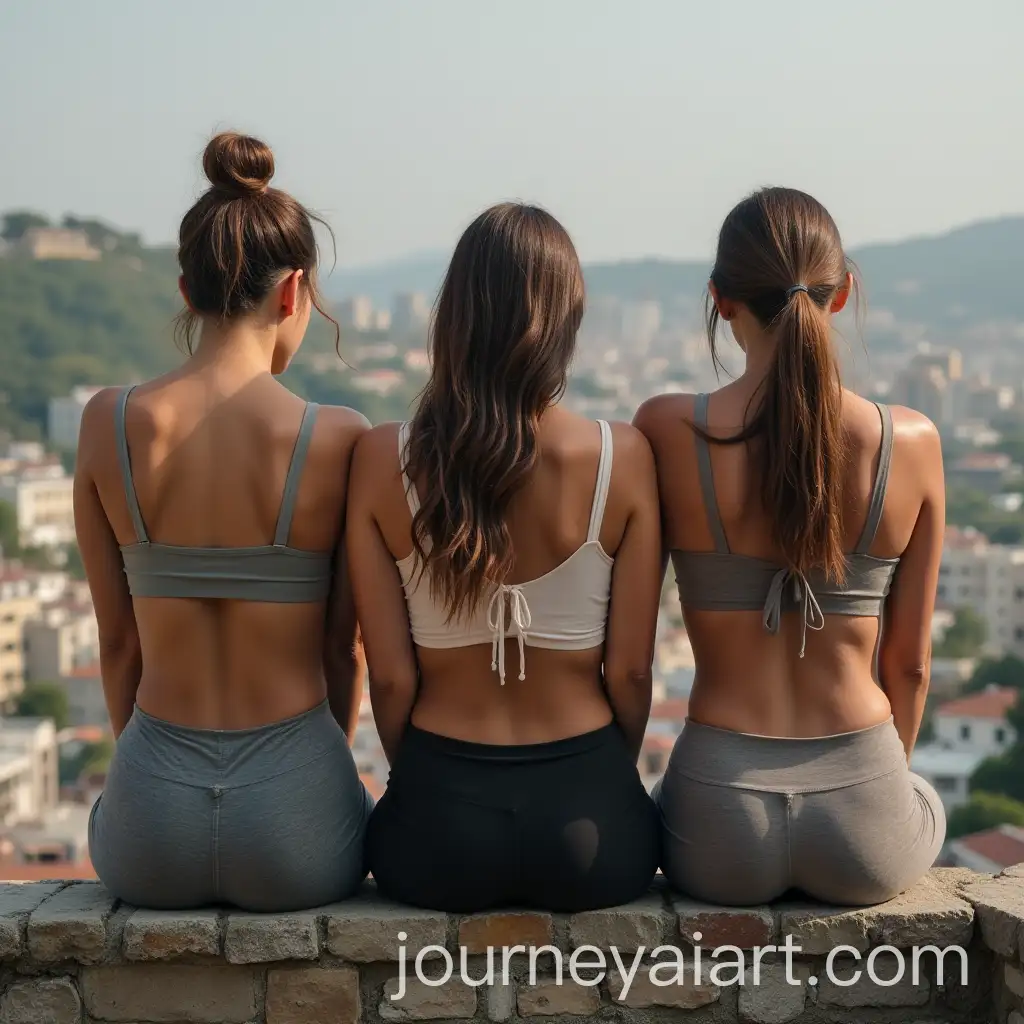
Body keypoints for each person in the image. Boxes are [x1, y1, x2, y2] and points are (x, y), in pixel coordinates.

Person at [76, 132, 372, 911]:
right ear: (292, 293)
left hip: (149, 826)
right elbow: (343, 652)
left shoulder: (107, 424)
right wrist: (308, 780)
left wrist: (149, 770)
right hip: (297, 819)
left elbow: (117, 643)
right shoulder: (337, 437)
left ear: (185, 289)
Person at [347, 203, 662, 913]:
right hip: (594, 831)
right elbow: (635, 671)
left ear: (452, 315)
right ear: (568, 320)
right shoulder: (624, 459)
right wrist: (607, 780)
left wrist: (430, 786)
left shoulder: (378, 460)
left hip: (436, 831)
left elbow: (390, 679)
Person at [635, 187, 946, 907]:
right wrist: (870, 788)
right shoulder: (913, 443)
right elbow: (912, 665)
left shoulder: (667, 429)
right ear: (842, 295)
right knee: (922, 797)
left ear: (720, 300)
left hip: (719, 812)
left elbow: (632, 654)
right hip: (863, 809)